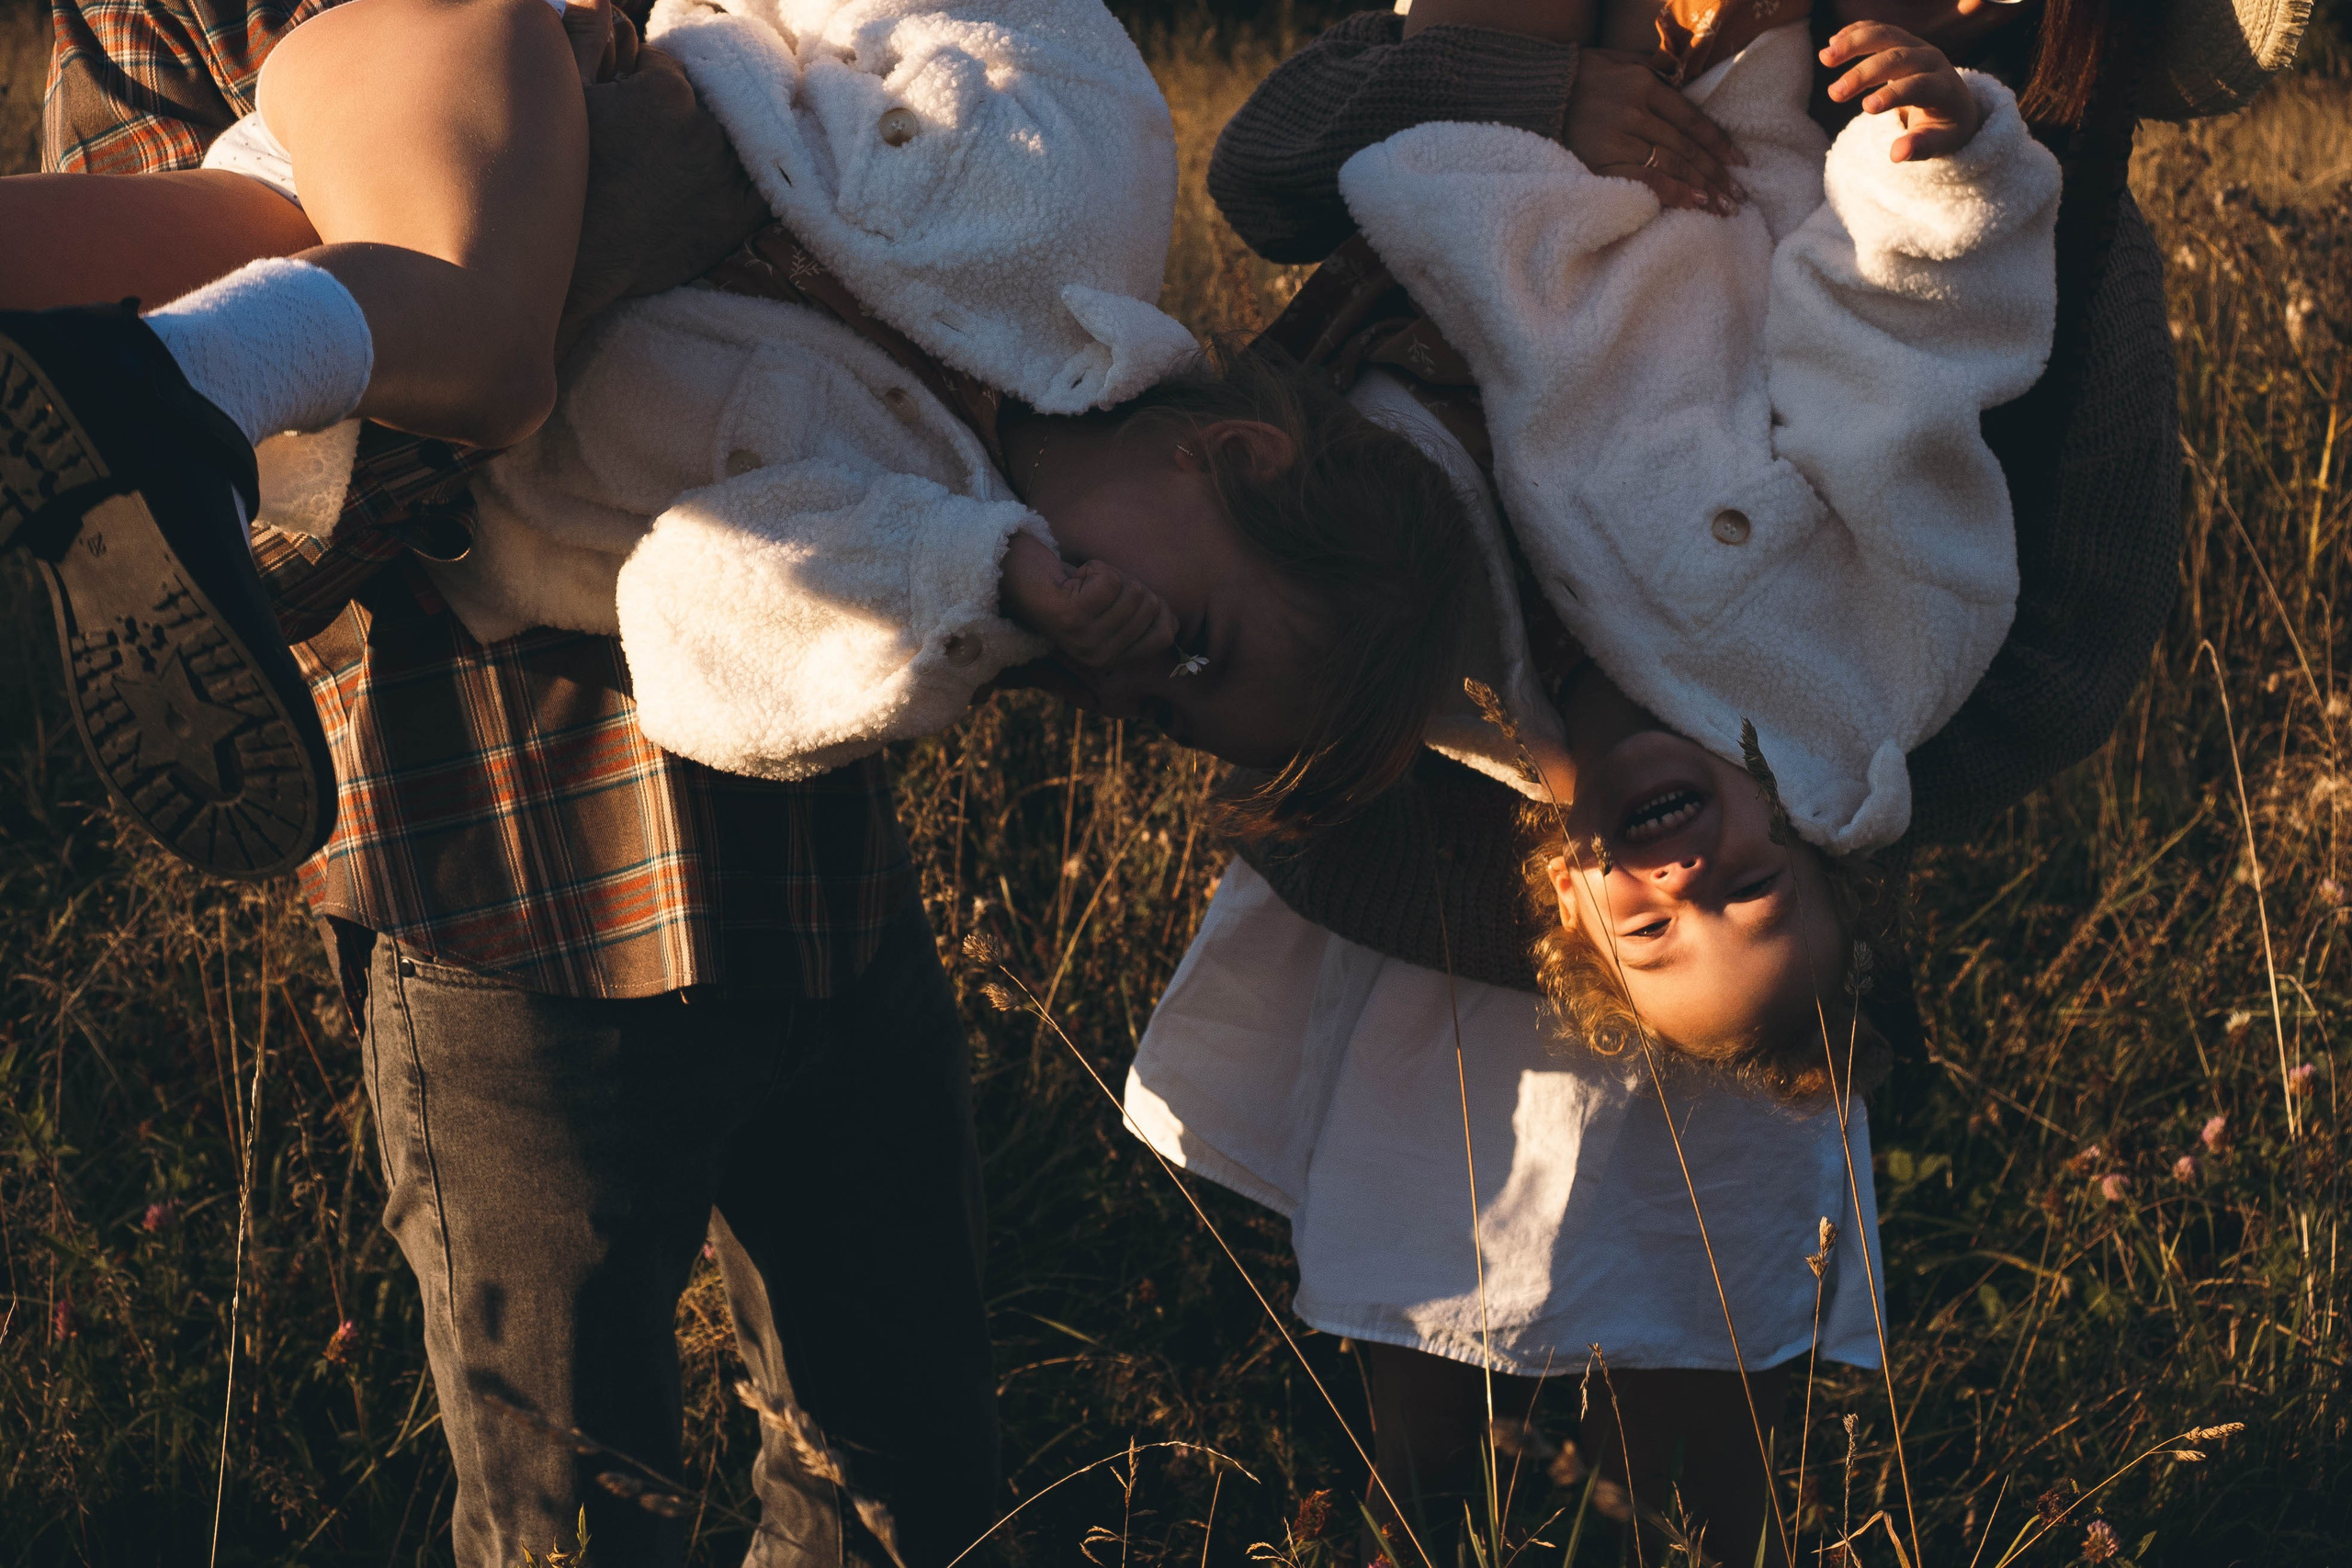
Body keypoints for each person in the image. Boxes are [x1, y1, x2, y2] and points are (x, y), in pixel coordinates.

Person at [1125, 0, 2286, 1549]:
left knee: (1690, 1366)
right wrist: (1549, 90)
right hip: (1426, 837)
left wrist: (1807, 779)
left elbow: (2076, 632)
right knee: (1426, 1307)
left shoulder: (1996, 156)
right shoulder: (1563, 39)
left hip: (1725, 908)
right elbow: (1272, 173)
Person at [2, 0, 1478, 879]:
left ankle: (157, 389)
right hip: (492, 61)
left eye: (1168, 716)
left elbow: (689, 634)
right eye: (1203, 645)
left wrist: (975, 579)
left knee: (76, 300)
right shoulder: (1085, 194)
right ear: (1238, 461)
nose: (1142, 670)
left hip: (312, 223)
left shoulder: (903, 563)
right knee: (494, 349)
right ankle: (174, 406)